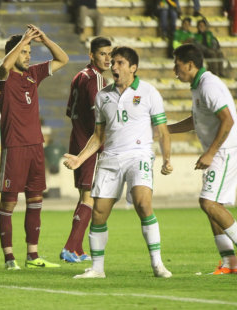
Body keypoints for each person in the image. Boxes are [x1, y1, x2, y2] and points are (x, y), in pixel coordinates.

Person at [64, 46, 173, 279]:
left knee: (143, 204)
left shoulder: (149, 92)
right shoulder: (103, 96)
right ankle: (97, 269)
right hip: (111, 158)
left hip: (139, 156)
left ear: (133, 67)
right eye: (113, 62)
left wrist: (167, 159)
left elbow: (163, 130)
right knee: (99, 213)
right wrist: (80, 159)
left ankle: (157, 264)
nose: (114, 66)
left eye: (120, 63)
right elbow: (99, 136)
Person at [169, 43, 237, 276]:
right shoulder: (199, 86)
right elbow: (196, 120)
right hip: (219, 151)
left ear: (190, 64)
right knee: (211, 204)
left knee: (208, 203)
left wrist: (210, 153)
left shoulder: (209, 86)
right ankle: (229, 261)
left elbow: (228, 121)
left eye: (177, 65)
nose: (174, 70)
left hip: (225, 151)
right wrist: (166, 130)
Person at [0, 25, 69, 270]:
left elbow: (63, 59)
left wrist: (45, 39)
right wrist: (21, 42)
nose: (29, 56)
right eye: (24, 52)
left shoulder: (33, 74)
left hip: (36, 146)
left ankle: (33, 255)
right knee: (8, 203)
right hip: (14, 147)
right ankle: (9, 258)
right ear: (14, 53)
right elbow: (2, 68)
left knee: (36, 200)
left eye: (29, 51)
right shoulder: (3, 80)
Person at [60, 37, 112, 263]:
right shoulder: (97, 80)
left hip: (76, 140)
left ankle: (77, 249)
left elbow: (69, 111)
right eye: (103, 54)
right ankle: (70, 248)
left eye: (110, 54)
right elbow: (100, 115)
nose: (108, 58)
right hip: (90, 144)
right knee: (90, 197)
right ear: (92, 55)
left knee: (84, 197)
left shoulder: (78, 77)